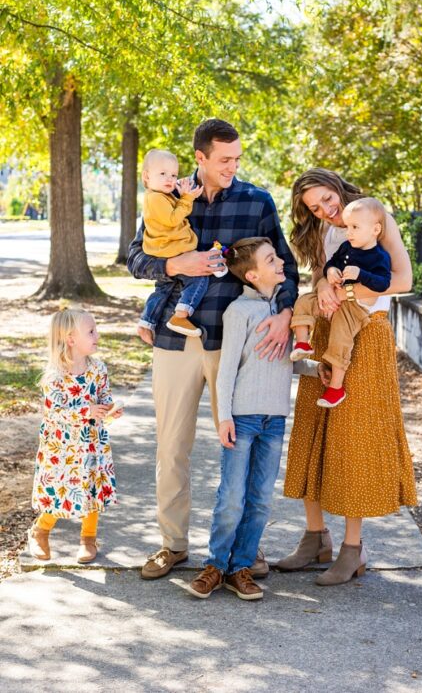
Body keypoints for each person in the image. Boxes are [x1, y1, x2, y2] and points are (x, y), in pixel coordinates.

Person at [127, 119, 299, 580]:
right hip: (174, 338)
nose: (233, 166)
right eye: (224, 160)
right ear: (200, 158)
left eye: (237, 159)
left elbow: (286, 265)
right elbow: (135, 259)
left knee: (240, 448)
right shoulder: (165, 197)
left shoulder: (256, 201)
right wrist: (174, 262)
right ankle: (173, 544)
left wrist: (283, 313)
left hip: (234, 347)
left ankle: (244, 552)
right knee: (171, 447)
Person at [274, 168, 416, 586]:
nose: (325, 209)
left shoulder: (372, 215)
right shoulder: (319, 231)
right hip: (326, 332)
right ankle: (315, 538)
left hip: (367, 336)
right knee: (313, 430)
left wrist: (351, 291)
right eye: (315, 207)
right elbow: (322, 274)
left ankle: (353, 549)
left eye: (327, 199)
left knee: (353, 438)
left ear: (337, 187)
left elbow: (403, 280)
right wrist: (321, 285)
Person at [185, 238, 319, 601]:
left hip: (274, 419)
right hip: (242, 418)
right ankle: (215, 564)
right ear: (253, 274)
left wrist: (319, 370)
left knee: (260, 499)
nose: (281, 264)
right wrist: (223, 417)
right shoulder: (239, 311)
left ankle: (240, 567)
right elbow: (226, 369)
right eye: (272, 260)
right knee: (232, 496)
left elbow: (287, 360)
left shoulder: (284, 312)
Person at [28, 308, 122, 564]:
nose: (97, 335)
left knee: (90, 490)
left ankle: (88, 539)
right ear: (71, 339)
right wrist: (86, 410)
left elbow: (103, 403)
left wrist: (110, 412)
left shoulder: (98, 369)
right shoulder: (55, 376)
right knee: (60, 491)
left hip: (91, 443)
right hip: (61, 447)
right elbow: (55, 413)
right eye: (91, 331)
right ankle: (41, 530)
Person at [290, 196, 392, 408]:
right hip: (334, 295)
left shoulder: (379, 257)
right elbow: (331, 263)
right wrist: (331, 271)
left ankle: (336, 388)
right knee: (304, 301)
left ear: (375, 230)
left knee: (340, 338)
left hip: (356, 307)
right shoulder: (346, 247)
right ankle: (301, 343)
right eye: (348, 227)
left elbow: (383, 284)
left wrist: (361, 273)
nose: (349, 232)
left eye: (355, 227)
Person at [136, 149, 206, 340]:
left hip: (165, 250)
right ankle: (181, 315)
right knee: (199, 278)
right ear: (147, 177)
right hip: (172, 250)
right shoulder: (156, 198)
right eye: (163, 174)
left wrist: (183, 195)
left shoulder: (163, 195)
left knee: (164, 288)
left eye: (173, 175)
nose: (170, 179)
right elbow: (174, 218)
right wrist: (187, 198)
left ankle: (146, 321)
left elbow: (176, 210)